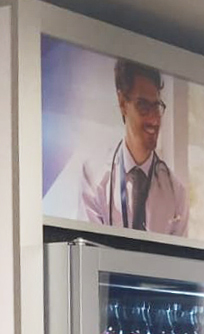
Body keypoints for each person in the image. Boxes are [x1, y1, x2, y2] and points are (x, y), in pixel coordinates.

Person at [80, 58, 189, 235]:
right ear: (122, 103)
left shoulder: (176, 193)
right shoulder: (94, 177)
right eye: (143, 106)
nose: (154, 119)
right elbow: (89, 248)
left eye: (156, 106)